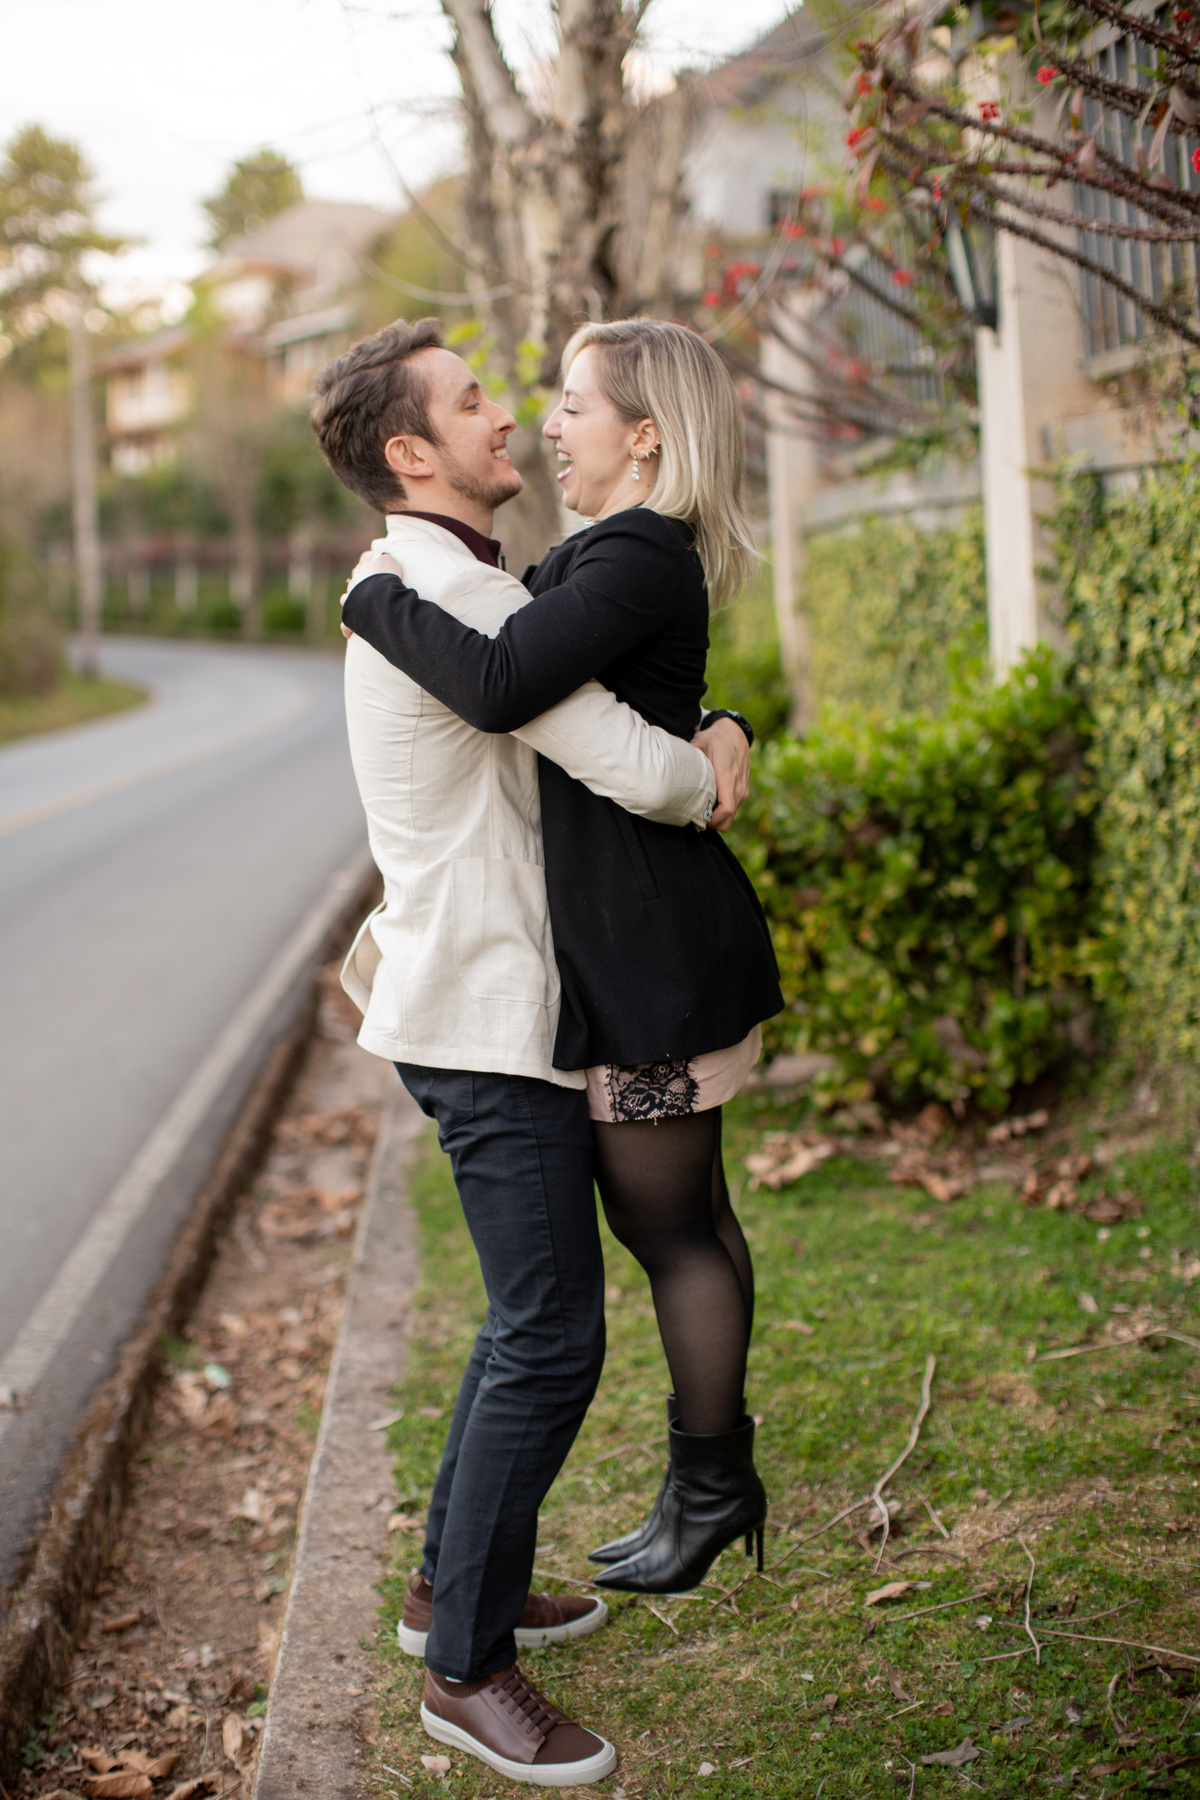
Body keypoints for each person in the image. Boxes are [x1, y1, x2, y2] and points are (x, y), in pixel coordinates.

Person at [312, 316, 752, 1789]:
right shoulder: (430, 589)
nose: (511, 420)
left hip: (514, 1006)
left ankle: (455, 1593)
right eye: (480, 401)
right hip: (485, 1015)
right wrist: (717, 767)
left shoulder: (468, 580)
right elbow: (626, 760)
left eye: (533, 399)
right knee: (552, 1334)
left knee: (529, 1329)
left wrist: (719, 715)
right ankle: (465, 1670)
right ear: (410, 452)